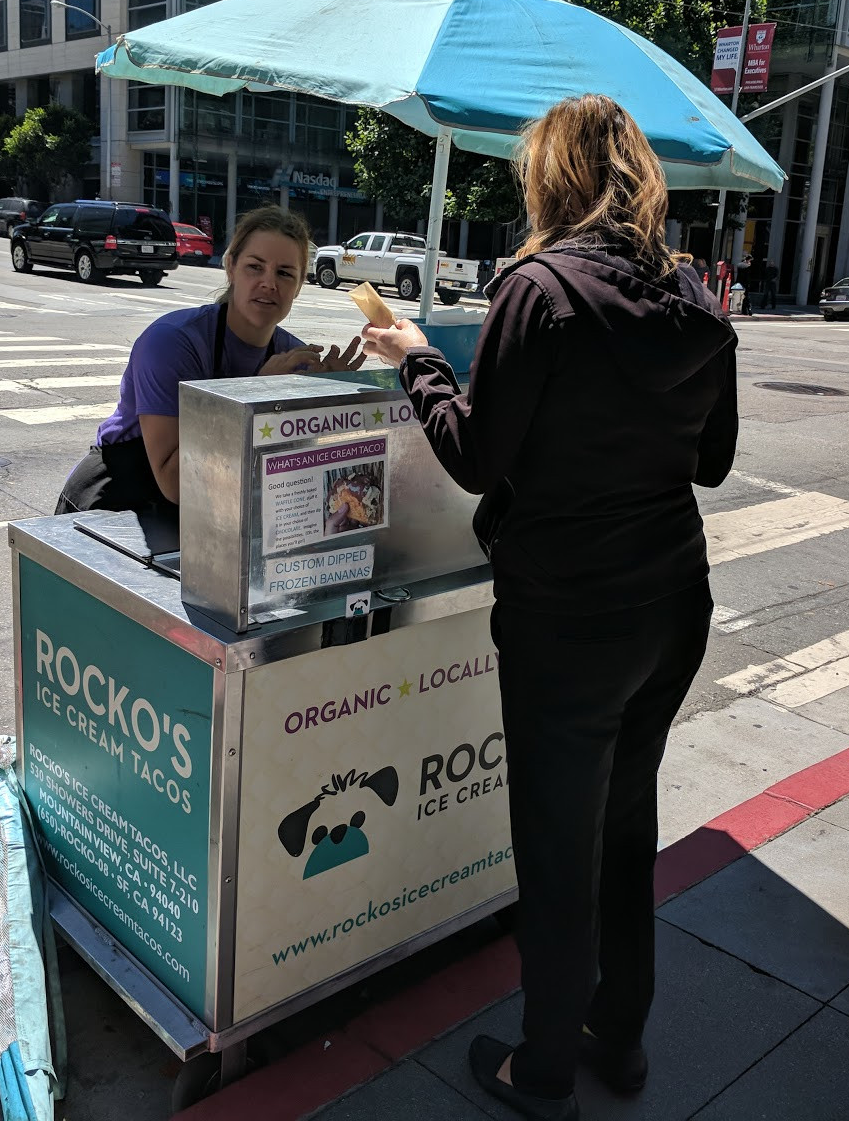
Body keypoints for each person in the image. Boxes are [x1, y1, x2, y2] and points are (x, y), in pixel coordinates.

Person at [362, 94, 737, 1121]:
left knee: (556, 842)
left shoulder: (538, 287)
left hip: (568, 613)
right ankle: (619, 1038)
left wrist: (419, 362)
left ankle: (544, 1065)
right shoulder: (697, 301)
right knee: (626, 822)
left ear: (552, 176)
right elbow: (713, 460)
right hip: (672, 601)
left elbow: (480, 458)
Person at [56, 206, 364, 528]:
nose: (269, 283)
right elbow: (175, 482)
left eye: (285, 273)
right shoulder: (171, 343)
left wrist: (331, 404)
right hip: (117, 500)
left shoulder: (294, 358)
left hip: (214, 508)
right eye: (255, 267)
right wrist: (257, 391)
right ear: (230, 267)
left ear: (300, 285)